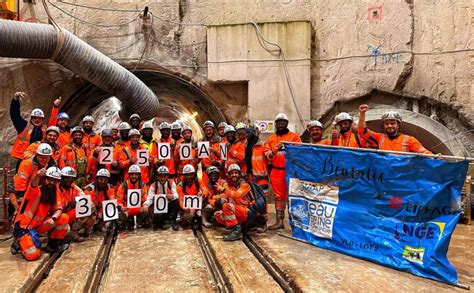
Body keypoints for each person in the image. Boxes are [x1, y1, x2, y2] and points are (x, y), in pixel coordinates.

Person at [11, 167, 69, 260]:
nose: (51, 183)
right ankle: (19, 242)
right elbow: (33, 183)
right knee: (33, 255)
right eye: (50, 180)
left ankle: (52, 245)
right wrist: (37, 175)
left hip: (38, 227)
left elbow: (59, 209)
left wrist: (53, 218)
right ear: (45, 179)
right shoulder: (35, 191)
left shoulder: (52, 193)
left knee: (63, 218)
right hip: (23, 228)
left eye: (55, 181)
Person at [264, 113, 302, 230]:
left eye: (283, 122)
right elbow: (268, 156)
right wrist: (275, 150)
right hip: (276, 171)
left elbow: (300, 153)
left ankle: (295, 223)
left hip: (290, 171)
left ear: (286, 124)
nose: (281, 125)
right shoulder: (271, 139)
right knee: (279, 197)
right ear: (276, 124)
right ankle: (279, 221)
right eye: (278, 122)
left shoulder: (294, 137)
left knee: (293, 195)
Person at [358, 104, 432, 153]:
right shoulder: (380, 138)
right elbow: (362, 132)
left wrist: (436, 157)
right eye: (387, 124)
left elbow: (423, 152)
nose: (389, 126)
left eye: (393, 123)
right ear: (383, 126)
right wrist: (362, 114)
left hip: (401, 173)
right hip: (385, 172)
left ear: (398, 125)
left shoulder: (409, 139)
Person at [12, 143, 56, 222]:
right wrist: (22, 199)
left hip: (36, 191)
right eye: (41, 157)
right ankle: (16, 222)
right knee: (21, 209)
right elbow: (20, 183)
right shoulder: (27, 163)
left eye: (46, 157)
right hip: (20, 191)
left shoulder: (52, 167)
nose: (44, 159)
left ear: (50, 157)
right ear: (37, 155)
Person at [214, 164, 254, 241]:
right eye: (232, 173)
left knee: (226, 206)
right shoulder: (232, 186)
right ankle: (238, 227)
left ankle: (236, 233)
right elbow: (227, 197)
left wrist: (223, 190)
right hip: (239, 211)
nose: (234, 175)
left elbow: (237, 195)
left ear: (239, 174)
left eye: (236, 173)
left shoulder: (245, 185)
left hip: (248, 211)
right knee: (218, 215)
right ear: (229, 175)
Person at [10, 92, 48, 169]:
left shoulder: (45, 129)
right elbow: (15, 115)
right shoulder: (23, 126)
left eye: (39, 118)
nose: (37, 120)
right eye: (35, 118)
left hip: (39, 160)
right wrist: (15, 100)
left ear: (42, 119)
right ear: (31, 118)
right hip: (23, 160)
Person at [58, 167, 93, 242]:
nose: (69, 180)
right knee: (63, 218)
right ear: (61, 178)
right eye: (66, 178)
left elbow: (85, 199)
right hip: (58, 217)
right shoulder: (55, 188)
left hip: (67, 215)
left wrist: (78, 203)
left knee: (88, 209)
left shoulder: (73, 187)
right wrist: (69, 205)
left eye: (71, 178)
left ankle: (73, 232)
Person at [246, 123, 268, 233]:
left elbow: (270, 157)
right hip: (250, 176)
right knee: (252, 201)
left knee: (262, 202)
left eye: (250, 133)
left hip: (261, 177)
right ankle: (254, 222)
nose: (247, 135)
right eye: (247, 133)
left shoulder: (262, 145)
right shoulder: (247, 145)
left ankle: (263, 223)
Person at [142, 166, 179, 231]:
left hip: (168, 206)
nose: (162, 178)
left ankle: (174, 221)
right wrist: (146, 204)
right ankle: (158, 222)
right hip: (158, 208)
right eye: (160, 176)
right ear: (157, 176)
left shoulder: (171, 183)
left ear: (167, 176)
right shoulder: (153, 185)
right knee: (157, 217)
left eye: (164, 176)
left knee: (176, 201)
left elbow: (176, 194)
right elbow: (149, 198)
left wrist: (172, 196)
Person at [116, 165, 148, 230]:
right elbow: (119, 200)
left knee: (147, 209)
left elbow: (145, 199)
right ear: (129, 175)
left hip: (139, 208)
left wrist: (141, 196)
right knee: (120, 217)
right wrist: (121, 207)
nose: (134, 176)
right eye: (132, 174)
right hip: (127, 209)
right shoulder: (123, 185)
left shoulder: (142, 184)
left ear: (139, 175)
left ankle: (141, 222)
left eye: (136, 174)